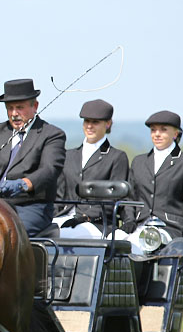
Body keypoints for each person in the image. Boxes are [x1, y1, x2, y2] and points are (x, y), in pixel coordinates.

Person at [0, 78, 66, 237]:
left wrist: (23, 184)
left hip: (31, 207)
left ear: (35, 106)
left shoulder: (52, 135)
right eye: (10, 108)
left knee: (5, 235)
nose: (14, 114)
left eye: (19, 108)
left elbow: (49, 171)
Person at [117, 110, 183, 254]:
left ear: (175, 134)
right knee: (112, 241)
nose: (157, 134)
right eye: (153, 130)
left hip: (170, 228)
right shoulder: (139, 162)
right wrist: (129, 221)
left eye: (163, 130)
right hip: (140, 226)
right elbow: (130, 199)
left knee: (138, 245)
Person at [52, 99, 129, 238]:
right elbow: (59, 194)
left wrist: (85, 218)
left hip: (97, 223)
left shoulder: (116, 157)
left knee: (63, 234)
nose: (89, 126)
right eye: (87, 121)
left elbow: (114, 200)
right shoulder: (68, 156)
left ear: (108, 124)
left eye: (95, 122)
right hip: (63, 217)